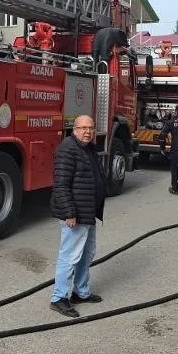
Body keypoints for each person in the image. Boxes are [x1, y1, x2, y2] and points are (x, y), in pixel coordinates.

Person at [49, 114, 106, 318]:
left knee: (86, 254)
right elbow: (61, 184)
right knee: (70, 256)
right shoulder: (67, 149)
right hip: (76, 214)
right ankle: (59, 298)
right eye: (83, 128)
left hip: (88, 212)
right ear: (74, 130)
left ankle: (81, 291)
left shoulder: (88, 148)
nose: (88, 132)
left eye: (91, 128)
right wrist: (69, 213)